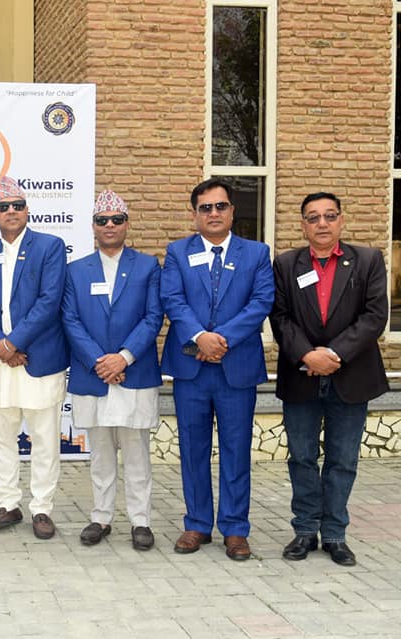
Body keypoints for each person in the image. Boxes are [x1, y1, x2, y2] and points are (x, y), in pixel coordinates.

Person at [270, 192, 388, 566]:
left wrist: (333, 355)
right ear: (303, 225)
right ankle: (305, 530)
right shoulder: (286, 264)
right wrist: (308, 355)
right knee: (302, 458)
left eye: (329, 215)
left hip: (350, 375)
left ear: (341, 220)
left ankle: (335, 535)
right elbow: (280, 317)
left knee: (342, 460)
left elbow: (375, 316)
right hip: (301, 375)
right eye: (313, 217)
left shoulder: (368, 260)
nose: (322, 223)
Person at [160, 178, 274, 561]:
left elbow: (261, 302)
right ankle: (196, 523)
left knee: (236, 450)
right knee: (192, 449)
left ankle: (235, 529)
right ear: (194, 214)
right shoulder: (177, 252)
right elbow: (172, 299)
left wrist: (220, 339)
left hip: (236, 366)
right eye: (205, 207)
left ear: (232, 211)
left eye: (220, 206)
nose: (213, 213)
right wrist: (199, 337)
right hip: (191, 367)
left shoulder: (256, 253)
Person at [62, 190, 163, 550]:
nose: (109, 226)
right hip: (93, 375)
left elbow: (153, 317)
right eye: (102, 220)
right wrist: (100, 361)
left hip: (134, 373)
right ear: (93, 226)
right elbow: (70, 320)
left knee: (137, 453)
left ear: (126, 224)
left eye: (116, 220)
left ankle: (141, 521)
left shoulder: (148, 266)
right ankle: (101, 517)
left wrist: (123, 357)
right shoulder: (75, 270)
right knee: (101, 453)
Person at [0, 176, 67, 540]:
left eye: (17, 205)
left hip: (38, 357)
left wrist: (14, 342)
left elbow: (49, 301)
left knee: (44, 437)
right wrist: (0, 344)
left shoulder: (49, 247)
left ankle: (42, 508)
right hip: (0, 360)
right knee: (1, 436)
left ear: (27, 210)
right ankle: (8, 503)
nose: (10, 211)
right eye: (3, 206)